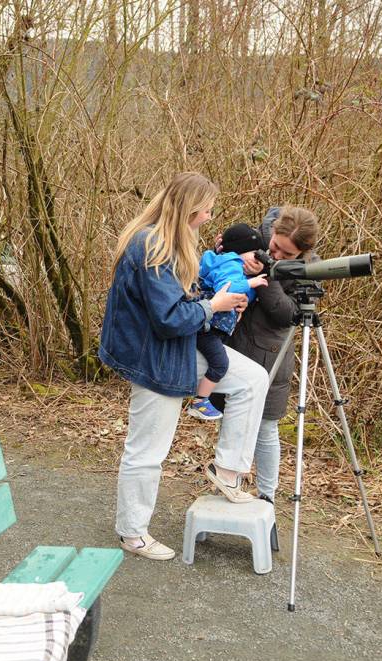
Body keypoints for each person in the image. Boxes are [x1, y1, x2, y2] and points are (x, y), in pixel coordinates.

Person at [99, 172, 270, 561]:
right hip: (154, 357)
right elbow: (168, 318)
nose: (210, 217)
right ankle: (132, 532)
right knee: (147, 450)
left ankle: (227, 472)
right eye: (207, 209)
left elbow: (180, 303)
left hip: (176, 348)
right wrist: (214, 307)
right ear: (190, 208)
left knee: (252, 380)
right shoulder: (151, 246)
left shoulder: (174, 242)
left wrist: (220, 299)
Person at [226, 205, 320, 504]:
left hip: (270, 356)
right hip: (233, 344)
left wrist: (268, 275)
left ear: (303, 253)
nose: (277, 255)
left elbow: (289, 314)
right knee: (232, 423)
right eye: (276, 247)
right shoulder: (253, 239)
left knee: (266, 429)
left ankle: (267, 496)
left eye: (287, 255)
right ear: (274, 231)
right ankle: (228, 487)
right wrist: (227, 251)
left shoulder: (311, 268)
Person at [188, 222, 268, 421]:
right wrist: (252, 282)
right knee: (220, 364)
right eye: (255, 254)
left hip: (210, 326)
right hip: (208, 328)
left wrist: (247, 296)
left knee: (216, 361)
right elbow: (228, 286)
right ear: (240, 252)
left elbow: (243, 293)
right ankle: (200, 401)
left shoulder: (228, 263)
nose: (258, 258)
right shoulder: (230, 264)